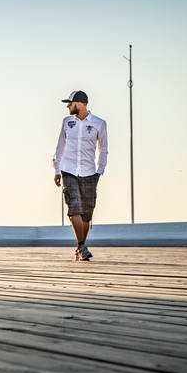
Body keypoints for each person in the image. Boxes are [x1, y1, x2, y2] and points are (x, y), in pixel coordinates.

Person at [53, 90, 108, 261]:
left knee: (87, 213)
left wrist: (100, 170)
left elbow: (103, 149)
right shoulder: (66, 122)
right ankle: (81, 246)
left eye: (69, 103)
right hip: (68, 170)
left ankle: (81, 245)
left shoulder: (99, 123)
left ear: (79, 104)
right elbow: (59, 148)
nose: (68, 106)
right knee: (74, 208)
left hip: (90, 171)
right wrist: (56, 170)